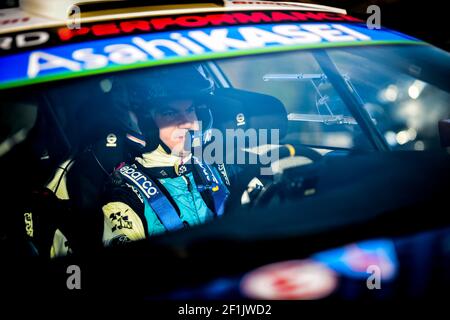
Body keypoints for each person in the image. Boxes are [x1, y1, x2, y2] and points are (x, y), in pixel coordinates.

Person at [101, 65, 230, 246]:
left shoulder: (219, 165)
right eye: (170, 113)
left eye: (190, 110)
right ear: (143, 125)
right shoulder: (126, 195)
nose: (187, 123)